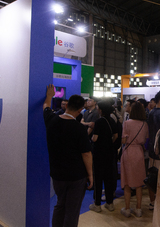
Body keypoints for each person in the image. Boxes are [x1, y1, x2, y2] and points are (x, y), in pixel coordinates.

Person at [43, 84, 93, 227]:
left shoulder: (51, 120)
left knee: (60, 205)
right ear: (80, 110)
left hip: (57, 174)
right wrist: (90, 175)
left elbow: (45, 106)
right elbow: (86, 154)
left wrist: (49, 95)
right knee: (72, 210)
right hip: (76, 176)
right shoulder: (79, 129)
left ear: (67, 105)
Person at [89, 100, 119, 213]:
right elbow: (115, 136)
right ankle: (110, 203)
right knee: (108, 178)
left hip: (99, 154)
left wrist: (93, 139)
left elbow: (95, 138)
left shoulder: (99, 121)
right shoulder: (112, 120)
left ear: (101, 110)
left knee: (98, 178)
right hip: (110, 152)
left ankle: (97, 204)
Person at [120, 101, 149, 217]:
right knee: (139, 183)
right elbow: (145, 140)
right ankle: (138, 208)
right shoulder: (145, 124)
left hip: (128, 151)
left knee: (127, 182)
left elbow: (123, 140)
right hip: (139, 152)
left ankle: (127, 209)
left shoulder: (127, 123)